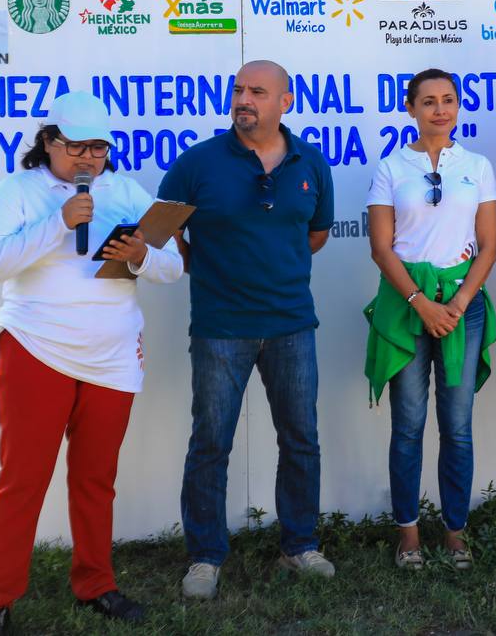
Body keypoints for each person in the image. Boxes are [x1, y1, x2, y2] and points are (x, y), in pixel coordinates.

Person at [0, 91, 184, 635]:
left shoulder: (125, 190)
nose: (90, 159)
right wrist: (59, 223)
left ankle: (97, 584)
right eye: (78, 147)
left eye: (99, 148)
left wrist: (141, 255)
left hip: (112, 355)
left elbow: (172, 268)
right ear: (49, 142)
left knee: (95, 478)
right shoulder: (17, 190)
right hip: (36, 347)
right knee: (23, 477)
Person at [159, 60, 336, 600]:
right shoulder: (196, 164)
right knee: (210, 443)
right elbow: (164, 236)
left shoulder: (312, 162)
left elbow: (316, 234)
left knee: (301, 439)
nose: (243, 100)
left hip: (291, 326)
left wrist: (270, 270)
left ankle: (299, 545)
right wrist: (214, 269)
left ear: (285, 100)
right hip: (220, 327)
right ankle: (206, 556)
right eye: (238, 90)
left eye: (257, 91)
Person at [364, 68, 496, 570]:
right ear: (411, 109)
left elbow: (489, 246)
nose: (439, 110)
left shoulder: (478, 165)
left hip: (462, 309)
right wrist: (422, 303)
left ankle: (456, 532)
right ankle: (408, 534)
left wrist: (459, 303)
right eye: (428, 101)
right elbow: (382, 248)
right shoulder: (391, 168)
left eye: (448, 100)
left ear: (458, 107)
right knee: (409, 426)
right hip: (407, 307)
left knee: (458, 427)